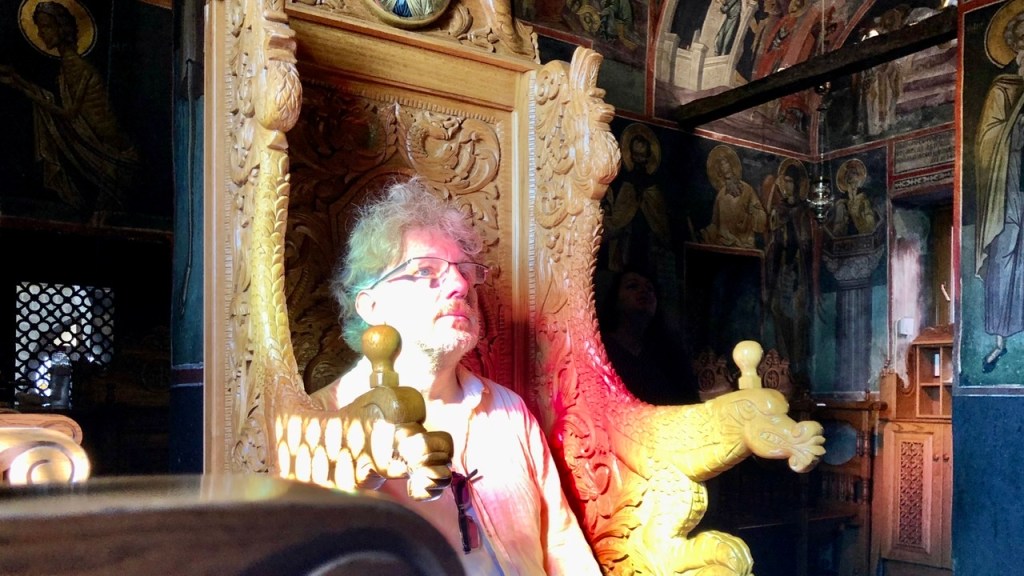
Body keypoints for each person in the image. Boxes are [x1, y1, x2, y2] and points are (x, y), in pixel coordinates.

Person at [311, 179, 601, 575]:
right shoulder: (322, 420)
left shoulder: (510, 411)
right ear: (372, 306)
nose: (461, 285)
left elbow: (563, 546)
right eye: (425, 270)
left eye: (465, 271)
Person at [0, 0, 139, 222]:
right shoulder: (67, 66)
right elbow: (53, 99)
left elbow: (68, 114)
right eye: (39, 27)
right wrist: (18, 80)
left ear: (61, 28)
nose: (41, 33)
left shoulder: (77, 66)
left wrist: (24, 90)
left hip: (111, 149)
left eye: (46, 26)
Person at [974, 2, 1024, 371]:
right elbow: (987, 142)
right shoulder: (1003, 89)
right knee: (1006, 250)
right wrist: (1015, 128)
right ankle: (999, 341)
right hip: (1009, 184)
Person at [599, 268, 699, 405]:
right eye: (632, 286)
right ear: (615, 299)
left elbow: (689, 401)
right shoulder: (599, 349)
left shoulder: (669, 353)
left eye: (650, 289)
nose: (643, 291)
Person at [700, 144, 767, 248]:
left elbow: (761, 215)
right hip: (724, 241)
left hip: (745, 242)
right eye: (721, 165)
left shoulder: (747, 189)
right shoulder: (720, 196)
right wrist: (707, 233)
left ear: (731, 164)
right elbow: (715, 224)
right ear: (719, 171)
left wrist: (754, 212)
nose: (724, 167)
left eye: (726, 163)